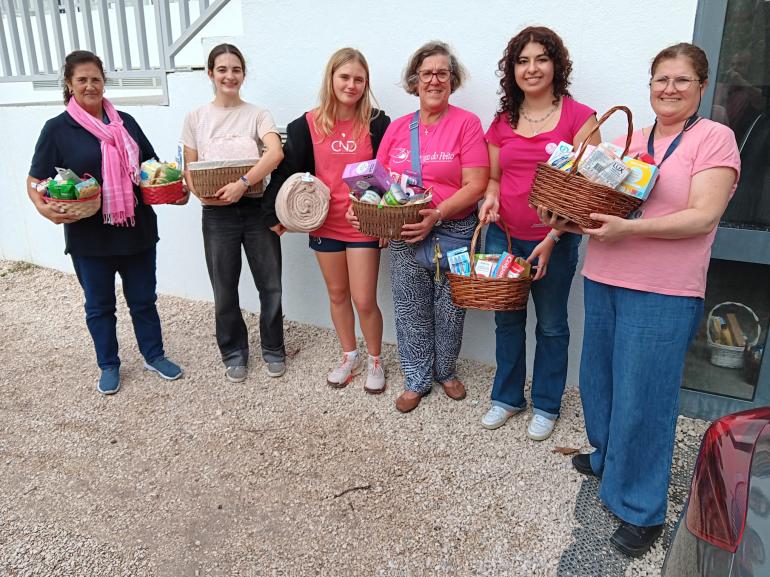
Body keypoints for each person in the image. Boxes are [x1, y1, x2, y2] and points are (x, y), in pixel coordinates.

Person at [539, 42, 740, 557]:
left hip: (665, 288)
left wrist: (628, 230)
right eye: (661, 80)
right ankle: (608, 457)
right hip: (605, 276)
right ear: (649, 85)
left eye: (681, 81)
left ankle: (640, 507)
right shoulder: (629, 137)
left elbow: (703, 216)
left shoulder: (714, 139)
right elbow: (596, 200)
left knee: (645, 398)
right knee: (599, 381)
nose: (669, 89)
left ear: (701, 87)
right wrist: (559, 225)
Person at [27, 50, 184, 395]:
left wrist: (172, 187)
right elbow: (36, 180)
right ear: (69, 84)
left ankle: (153, 354)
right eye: (81, 79)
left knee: (144, 299)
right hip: (90, 237)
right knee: (100, 306)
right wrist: (45, 210)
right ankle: (109, 364)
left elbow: (149, 166)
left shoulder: (125, 122)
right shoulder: (57, 129)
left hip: (137, 230)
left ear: (104, 82)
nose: (89, 85)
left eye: (95, 79)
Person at [350, 41, 489, 412]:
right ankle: (416, 379)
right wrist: (367, 212)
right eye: (427, 73)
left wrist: (437, 214)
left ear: (453, 80)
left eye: (442, 73)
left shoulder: (468, 124)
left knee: (451, 309)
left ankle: (445, 371)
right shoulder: (397, 129)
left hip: (455, 231)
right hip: (405, 236)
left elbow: (475, 184)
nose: (434, 80)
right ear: (415, 81)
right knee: (410, 310)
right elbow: (377, 183)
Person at [478, 27, 600, 440]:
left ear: (556, 65)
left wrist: (552, 239)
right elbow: (494, 178)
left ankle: (547, 403)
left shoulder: (580, 118)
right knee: (507, 321)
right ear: (512, 70)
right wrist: (490, 200)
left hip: (556, 241)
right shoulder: (502, 121)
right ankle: (507, 397)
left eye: (540, 59)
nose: (531, 69)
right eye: (522, 61)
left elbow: (588, 191)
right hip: (504, 237)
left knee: (551, 324)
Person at [263, 48, 390, 393]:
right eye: (345, 77)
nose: (351, 85)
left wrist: (383, 223)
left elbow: (388, 177)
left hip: (362, 225)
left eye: (358, 79)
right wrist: (276, 216)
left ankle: (376, 361)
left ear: (366, 84)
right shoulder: (305, 125)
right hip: (324, 225)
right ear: (331, 79)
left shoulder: (378, 123)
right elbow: (286, 173)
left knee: (364, 299)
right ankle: (349, 355)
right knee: (337, 294)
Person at [181, 44, 285, 383]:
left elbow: (275, 153)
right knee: (224, 287)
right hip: (217, 214)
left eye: (236, 69)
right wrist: (201, 192)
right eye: (222, 69)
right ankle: (234, 351)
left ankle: (273, 347)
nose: (230, 76)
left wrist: (243, 182)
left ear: (243, 74)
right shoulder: (196, 117)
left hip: (256, 208)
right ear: (210, 73)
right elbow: (189, 169)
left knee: (270, 285)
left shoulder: (257, 114)